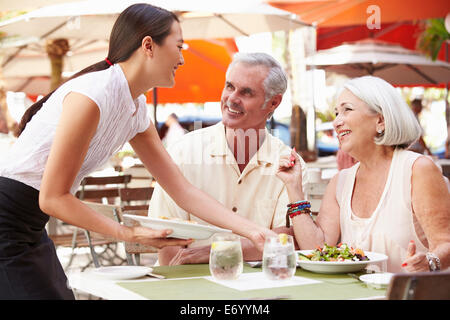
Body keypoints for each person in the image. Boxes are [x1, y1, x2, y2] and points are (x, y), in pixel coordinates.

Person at [0, 4, 273, 300]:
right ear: (148, 46)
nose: (182, 58)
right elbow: (53, 198)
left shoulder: (134, 107)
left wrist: (252, 231)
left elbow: (182, 189)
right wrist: (127, 233)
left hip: (29, 224)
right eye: (179, 46)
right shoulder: (92, 96)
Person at [277, 76, 450, 273]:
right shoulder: (340, 182)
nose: (336, 122)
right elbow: (318, 250)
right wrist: (294, 188)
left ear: (381, 121)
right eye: (336, 113)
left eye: (347, 110)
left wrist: (430, 261)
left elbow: (445, 244)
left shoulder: (417, 170)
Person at [149, 52, 307, 265]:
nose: (232, 98)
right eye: (230, 86)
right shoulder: (184, 152)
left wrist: (210, 253)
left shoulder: (289, 165)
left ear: (273, 103)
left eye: (247, 92)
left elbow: (288, 238)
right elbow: (166, 240)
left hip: (259, 286)